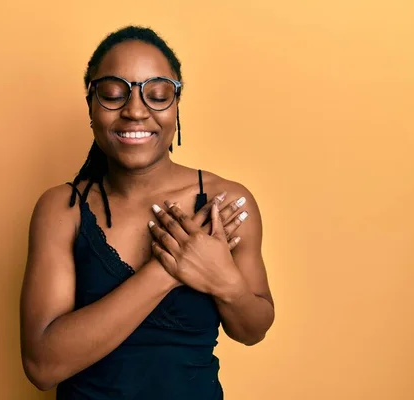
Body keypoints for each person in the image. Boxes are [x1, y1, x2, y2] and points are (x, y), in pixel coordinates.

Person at [20, 25, 275, 400]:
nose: (135, 111)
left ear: (175, 106)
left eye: (156, 95)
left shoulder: (225, 202)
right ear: (90, 105)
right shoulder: (63, 210)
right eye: (112, 95)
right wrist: (166, 271)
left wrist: (226, 282)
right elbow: (43, 367)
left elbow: (252, 330)